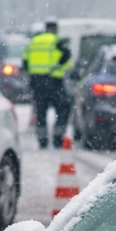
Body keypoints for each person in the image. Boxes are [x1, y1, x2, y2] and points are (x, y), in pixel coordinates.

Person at [23, 19, 73, 149]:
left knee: (41, 111)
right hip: (54, 81)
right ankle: (58, 137)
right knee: (63, 108)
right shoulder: (56, 41)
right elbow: (67, 56)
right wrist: (58, 66)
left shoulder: (34, 41)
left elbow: (25, 61)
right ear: (55, 29)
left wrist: (32, 74)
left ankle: (42, 139)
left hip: (37, 82)